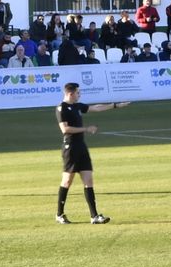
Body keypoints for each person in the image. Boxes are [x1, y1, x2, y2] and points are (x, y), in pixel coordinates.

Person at [55, 82, 128, 224]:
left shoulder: (77, 106)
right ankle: (59, 214)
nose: (79, 95)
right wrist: (86, 129)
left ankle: (94, 216)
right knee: (67, 181)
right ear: (70, 93)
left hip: (81, 146)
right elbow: (65, 129)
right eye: (78, 93)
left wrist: (115, 105)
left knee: (88, 180)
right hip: (70, 148)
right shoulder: (61, 108)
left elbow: (96, 107)